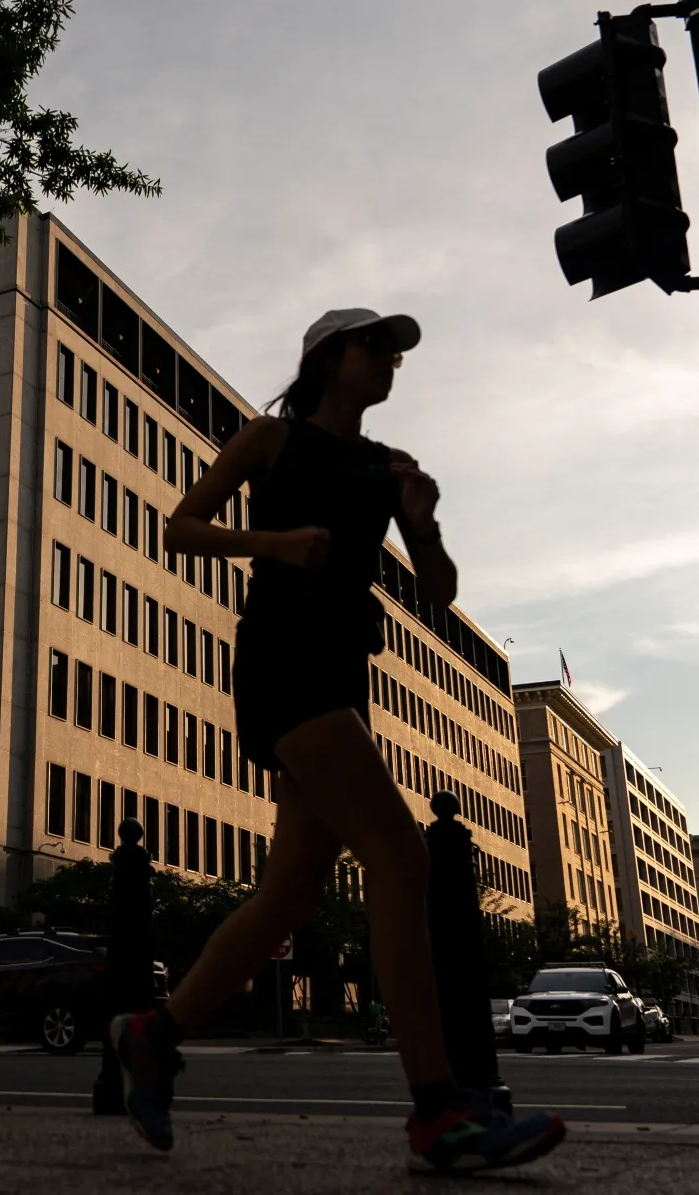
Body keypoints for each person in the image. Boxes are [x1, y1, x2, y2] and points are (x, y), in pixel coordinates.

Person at [109, 308, 566, 1174]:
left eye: (396, 353)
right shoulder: (268, 442)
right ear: (329, 358)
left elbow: (439, 588)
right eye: (375, 347)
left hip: (342, 672)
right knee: (401, 855)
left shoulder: (383, 469)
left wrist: (422, 519)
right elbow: (180, 528)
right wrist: (273, 542)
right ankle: (440, 1109)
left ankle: (152, 1032)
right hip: (283, 660)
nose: (391, 361)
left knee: (289, 897)